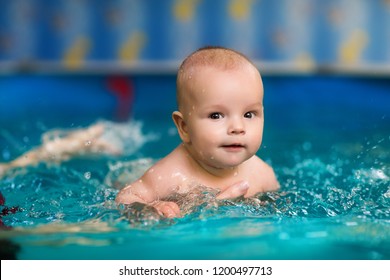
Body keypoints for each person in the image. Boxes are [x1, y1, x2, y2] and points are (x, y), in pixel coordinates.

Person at [115, 46, 279, 218]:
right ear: (184, 127)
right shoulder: (170, 175)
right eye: (216, 115)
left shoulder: (263, 174)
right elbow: (125, 198)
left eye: (248, 114)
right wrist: (151, 208)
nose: (238, 127)